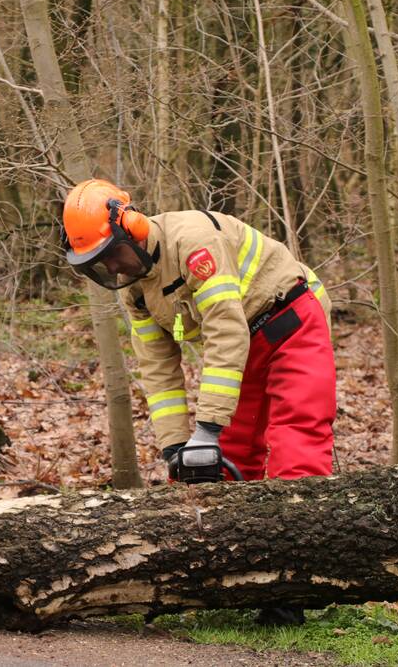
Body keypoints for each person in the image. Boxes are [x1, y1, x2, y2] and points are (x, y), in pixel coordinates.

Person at [62, 179, 336, 624]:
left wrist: (206, 427)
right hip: (244, 343)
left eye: (111, 255)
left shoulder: (194, 244)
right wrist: (175, 446)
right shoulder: (136, 291)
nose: (112, 268)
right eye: (99, 265)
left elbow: (224, 330)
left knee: (295, 443)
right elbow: (158, 369)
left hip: (291, 320)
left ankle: (291, 585)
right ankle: (234, 575)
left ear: (131, 228)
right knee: (235, 456)